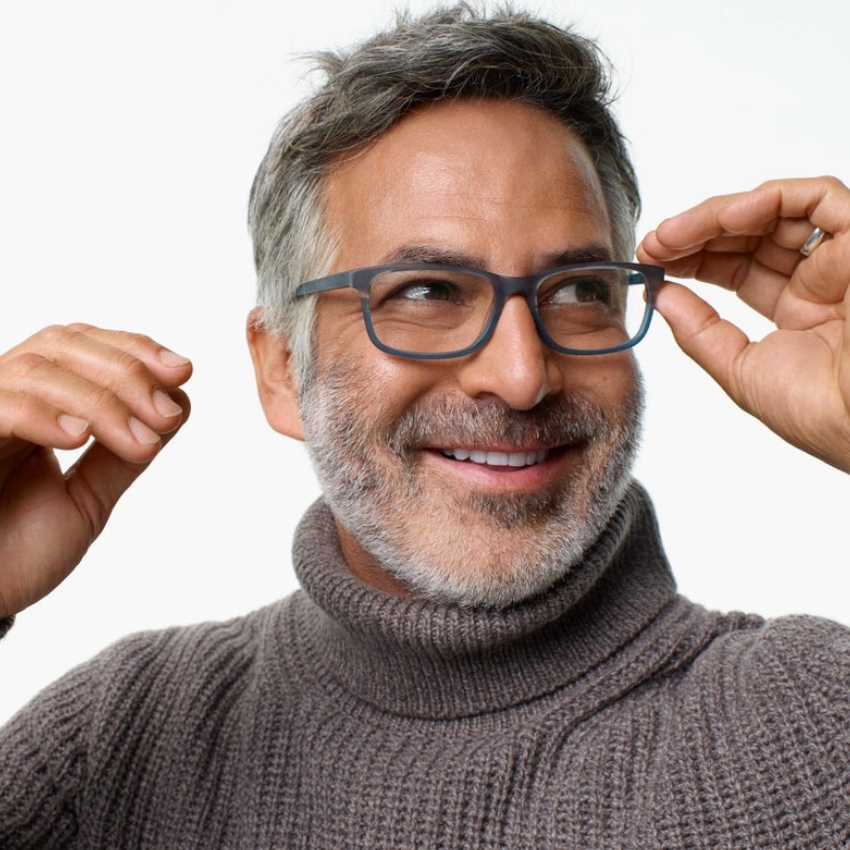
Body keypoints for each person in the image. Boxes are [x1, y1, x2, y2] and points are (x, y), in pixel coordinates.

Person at [1, 3, 848, 846]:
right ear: (282, 370)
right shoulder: (111, 744)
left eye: (579, 289)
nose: (520, 377)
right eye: (426, 293)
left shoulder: (816, 730)